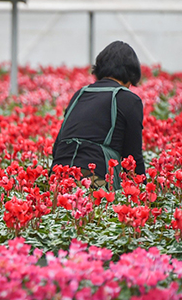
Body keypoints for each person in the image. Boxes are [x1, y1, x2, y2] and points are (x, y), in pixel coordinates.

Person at [51, 40, 146, 189]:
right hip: (95, 178)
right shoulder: (128, 99)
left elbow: (57, 146)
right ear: (131, 74)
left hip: (59, 177)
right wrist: (143, 192)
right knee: (94, 202)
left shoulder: (80, 94)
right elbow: (133, 157)